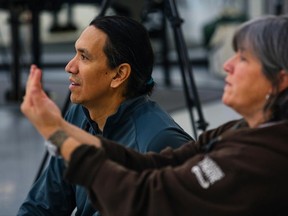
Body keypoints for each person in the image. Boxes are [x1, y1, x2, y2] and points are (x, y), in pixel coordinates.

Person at [21, 14, 288, 215]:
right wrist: (60, 130)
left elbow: (148, 196)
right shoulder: (239, 130)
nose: (227, 65)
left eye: (243, 58)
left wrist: (56, 134)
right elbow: (154, 164)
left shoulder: (263, 159)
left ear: (280, 79)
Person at [17, 16, 193, 215]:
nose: (70, 66)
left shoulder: (160, 140)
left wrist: (53, 130)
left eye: (84, 57)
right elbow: (43, 204)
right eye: (75, 53)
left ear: (119, 75)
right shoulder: (80, 114)